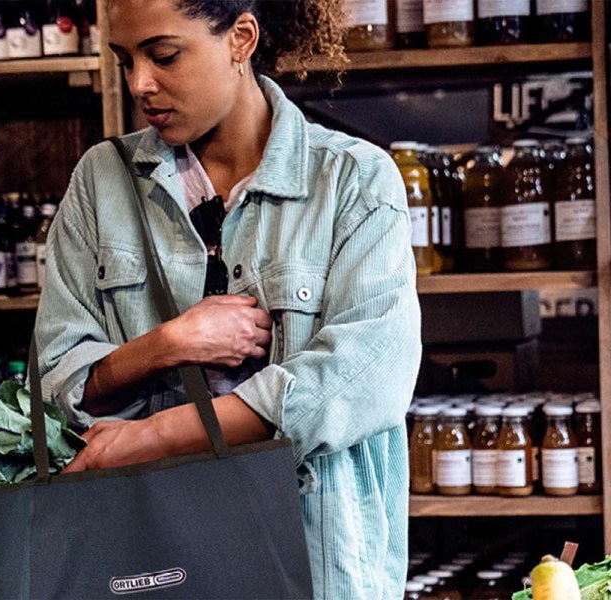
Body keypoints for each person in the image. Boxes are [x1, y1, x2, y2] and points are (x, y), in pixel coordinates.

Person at [34, 0, 422, 598]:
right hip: (147, 567)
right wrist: (167, 345)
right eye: (124, 61)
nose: (140, 83)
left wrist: (157, 434)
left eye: (164, 56)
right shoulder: (101, 182)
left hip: (317, 564)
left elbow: (365, 375)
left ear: (240, 38)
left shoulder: (352, 181)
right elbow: (57, 377)